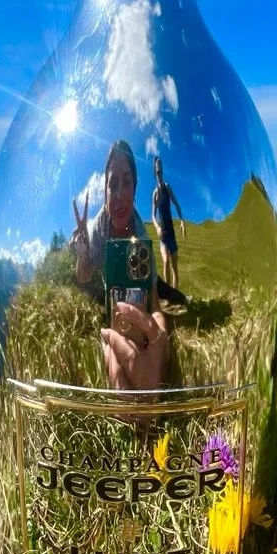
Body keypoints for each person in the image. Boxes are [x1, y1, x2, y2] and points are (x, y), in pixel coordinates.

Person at [71, 140, 170, 390]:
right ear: (104, 191)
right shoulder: (98, 228)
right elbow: (83, 277)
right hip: (108, 297)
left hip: (137, 302)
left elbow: (155, 305)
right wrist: (82, 253)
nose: (119, 195)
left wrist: (160, 343)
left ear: (135, 188)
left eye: (127, 182)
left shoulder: (141, 236)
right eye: (112, 184)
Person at [151, 156, 185, 290]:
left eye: (160, 165)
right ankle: (168, 296)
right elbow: (153, 215)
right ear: (155, 171)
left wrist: (182, 221)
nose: (159, 168)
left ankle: (175, 294)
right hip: (163, 237)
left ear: (162, 169)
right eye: (157, 167)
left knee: (174, 267)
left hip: (171, 233)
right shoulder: (155, 193)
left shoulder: (167, 187)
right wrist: (157, 227)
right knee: (165, 262)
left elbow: (176, 204)